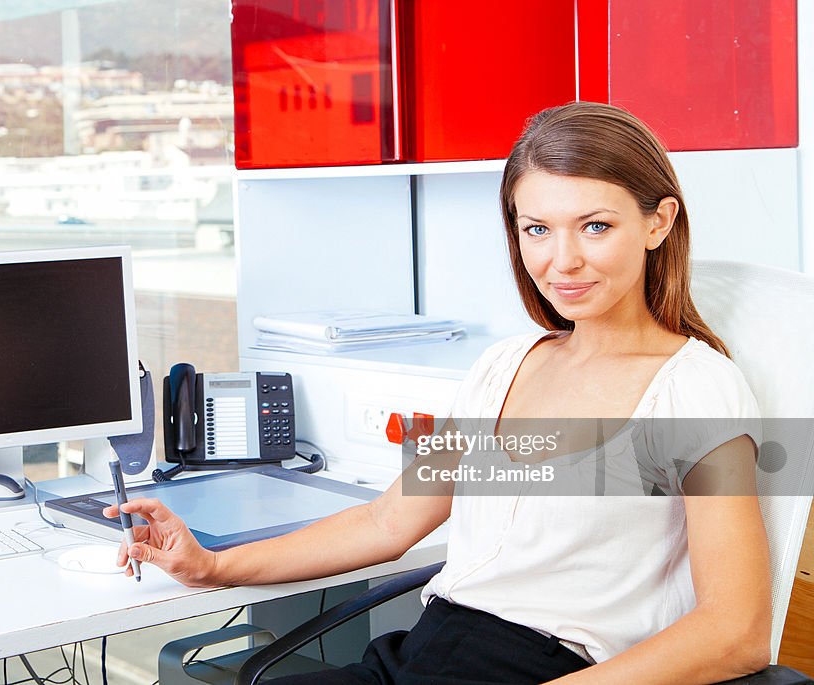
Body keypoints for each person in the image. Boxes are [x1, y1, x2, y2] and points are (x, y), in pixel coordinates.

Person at [104, 102, 771, 684]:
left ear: (658, 223)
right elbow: (387, 521)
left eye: (594, 226)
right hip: (419, 654)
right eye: (537, 228)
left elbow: (735, 628)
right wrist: (214, 565)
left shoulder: (694, 391)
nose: (561, 260)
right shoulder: (502, 365)